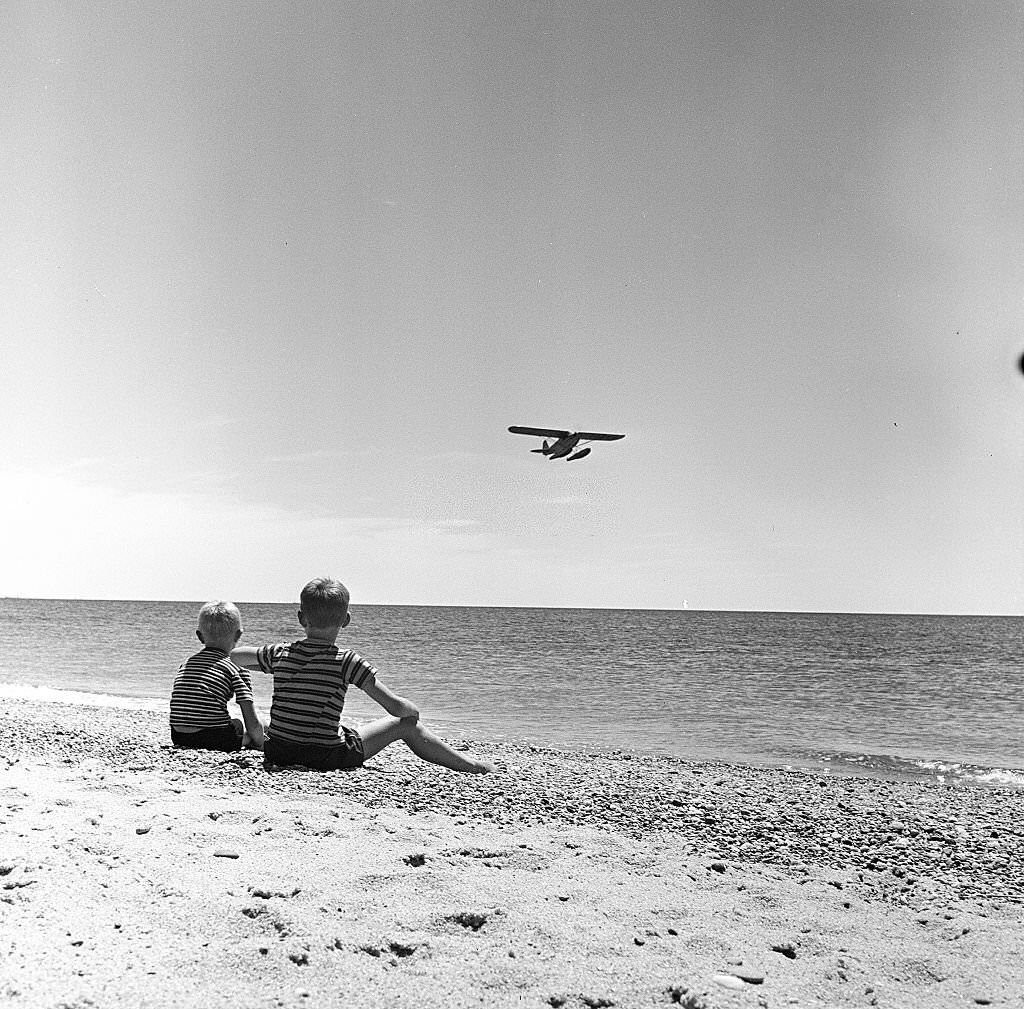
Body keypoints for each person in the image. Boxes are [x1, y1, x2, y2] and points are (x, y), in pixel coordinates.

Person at [231, 577, 495, 774]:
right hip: (327, 756)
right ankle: (470, 765)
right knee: (407, 726)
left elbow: (237, 656)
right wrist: (412, 708)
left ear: (302, 618)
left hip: (279, 752)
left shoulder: (280, 653)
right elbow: (395, 708)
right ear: (346, 620)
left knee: (285, 724)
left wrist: (269, 663)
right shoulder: (347, 661)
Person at [170, 600, 265, 752]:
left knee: (232, 722)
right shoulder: (236, 666)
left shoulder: (188, 663)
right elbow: (249, 714)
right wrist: (259, 741)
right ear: (238, 635)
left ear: (200, 636)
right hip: (214, 738)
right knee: (243, 725)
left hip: (179, 736)